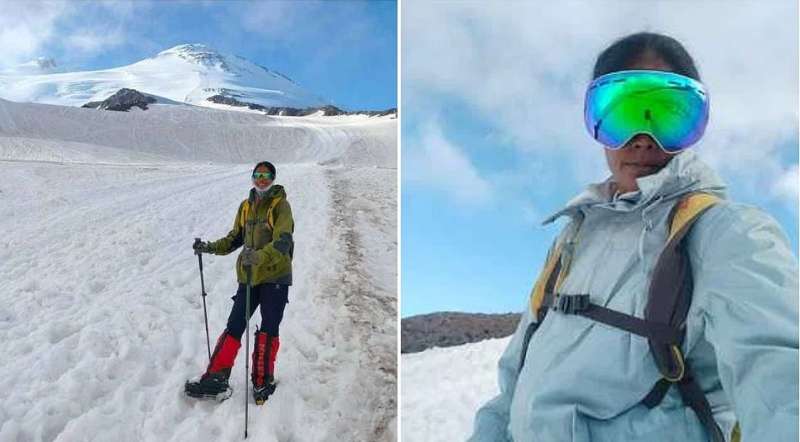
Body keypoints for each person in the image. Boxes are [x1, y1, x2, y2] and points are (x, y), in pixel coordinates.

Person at [469, 32, 798, 441]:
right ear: (596, 122)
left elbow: (781, 371)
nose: (643, 139)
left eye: (668, 116)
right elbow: (513, 389)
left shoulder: (725, 232)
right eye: (624, 114)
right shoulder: (571, 240)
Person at [185, 160, 294, 404]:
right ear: (253, 177)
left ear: (273, 179)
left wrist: (259, 256)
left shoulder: (281, 206)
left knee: (268, 328)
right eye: (258, 175)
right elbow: (235, 238)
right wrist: (209, 247)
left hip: (275, 276)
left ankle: (262, 381)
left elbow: (283, 241)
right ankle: (216, 378)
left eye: (266, 176)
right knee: (235, 324)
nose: (262, 180)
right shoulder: (246, 206)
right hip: (249, 276)